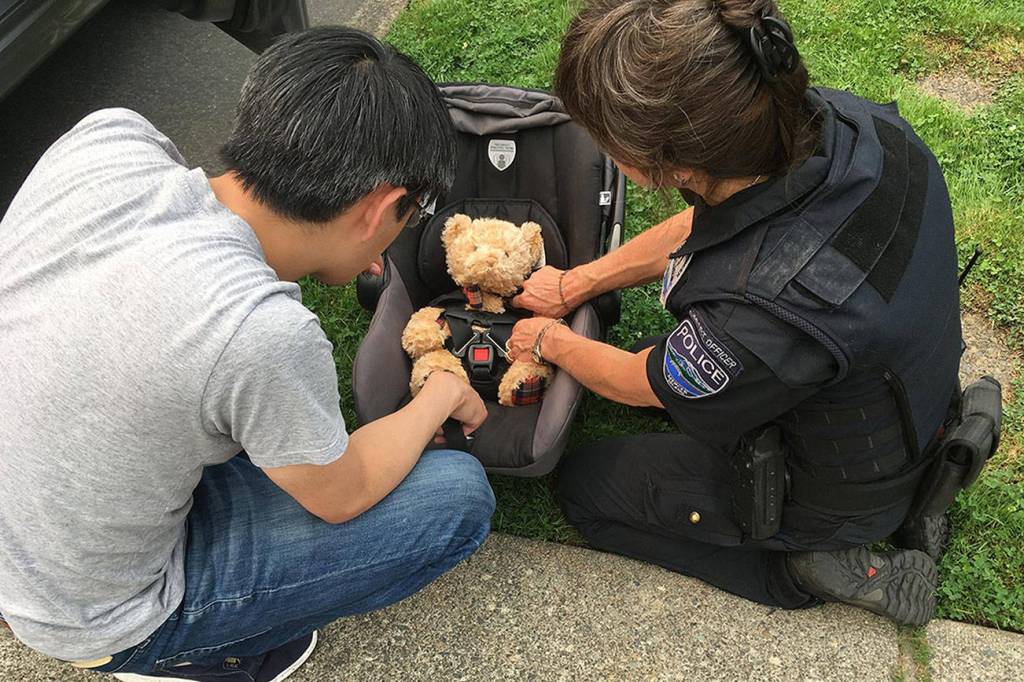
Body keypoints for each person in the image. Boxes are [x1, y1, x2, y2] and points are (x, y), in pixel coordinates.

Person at [0, 27, 494, 681]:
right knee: (456, 501)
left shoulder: (108, 139)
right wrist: (441, 393)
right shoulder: (259, 331)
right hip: (98, 615)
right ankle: (181, 657)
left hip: (25, 538)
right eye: (414, 211)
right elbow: (342, 497)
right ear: (379, 210)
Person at [508, 0, 962, 627]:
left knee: (585, 487)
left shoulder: (762, 312)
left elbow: (644, 380)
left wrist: (551, 341)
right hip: (906, 398)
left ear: (672, 168)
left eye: (605, 140)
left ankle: (799, 567)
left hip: (841, 489)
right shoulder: (835, 126)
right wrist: (577, 283)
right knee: (656, 359)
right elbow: (707, 225)